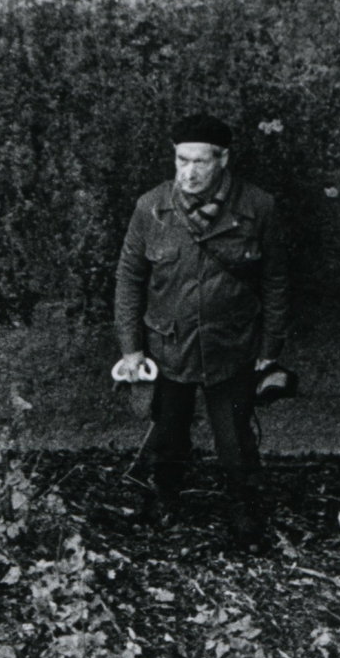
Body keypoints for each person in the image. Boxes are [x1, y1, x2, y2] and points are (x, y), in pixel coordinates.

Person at [111, 112, 289, 544]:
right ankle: (164, 500)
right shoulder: (151, 207)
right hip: (169, 346)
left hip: (232, 346)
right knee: (168, 432)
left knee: (235, 437)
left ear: (223, 159)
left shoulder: (258, 207)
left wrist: (269, 348)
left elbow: (276, 281)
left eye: (201, 162)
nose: (188, 173)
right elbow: (129, 280)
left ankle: (244, 510)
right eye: (180, 160)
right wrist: (132, 350)